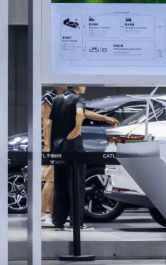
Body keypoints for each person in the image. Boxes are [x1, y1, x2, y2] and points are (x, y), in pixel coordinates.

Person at [49, 87, 118, 230]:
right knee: (76, 186)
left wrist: (106, 118)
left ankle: (58, 222)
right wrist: (76, 129)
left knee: (60, 186)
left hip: (58, 148)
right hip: (74, 148)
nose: (85, 87)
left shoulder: (57, 99)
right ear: (76, 86)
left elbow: (53, 122)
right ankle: (77, 222)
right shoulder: (78, 98)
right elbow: (80, 113)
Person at [40, 86, 67, 227]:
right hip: (49, 144)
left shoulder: (61, 98)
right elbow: (46, 122)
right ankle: (42, 214)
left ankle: (51, 214)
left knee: (53, 181)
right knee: (50, 180)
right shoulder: (48, 97)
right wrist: (47, 146)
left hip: (55, 143)